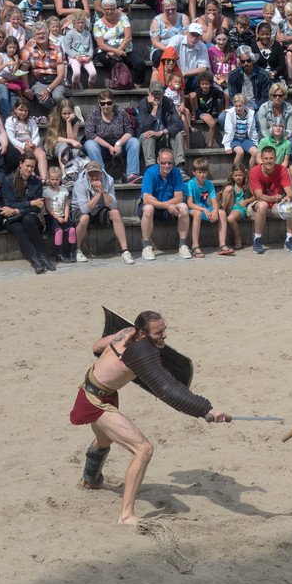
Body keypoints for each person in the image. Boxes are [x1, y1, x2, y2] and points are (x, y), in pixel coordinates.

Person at [73, 311, 231, 524]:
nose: (164, 336)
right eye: (158, 333)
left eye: (164, 330)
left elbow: (96, 347)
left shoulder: (126, 331)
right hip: (96, 402)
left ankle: (89, 480)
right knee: (143, 449)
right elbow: (168, 389)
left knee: (104, 440)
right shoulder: (141, 353)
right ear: (143, 333)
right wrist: (206, 411)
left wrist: (112, 362)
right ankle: (126, 515)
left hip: (96, 390)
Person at [138, 148, 191, 261]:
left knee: (184, 207)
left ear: (173, 162)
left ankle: (182, 245)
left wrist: (159, 203)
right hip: (158, 208)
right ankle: (146, 247)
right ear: (158, 161)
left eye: (170, 163)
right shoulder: (150, 172)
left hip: (168, 207)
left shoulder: (176, 172)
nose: (167, 165)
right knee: (148, 208)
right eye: (163, 162)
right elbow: (146, 199)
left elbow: (179, 197)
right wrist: (166, 205)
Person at [248, 145, 292, 254]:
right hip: (257, 205)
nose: (269, 161)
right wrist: (273, 199)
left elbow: (290, 192)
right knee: (262, 205)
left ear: (275, 159)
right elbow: (259, 196)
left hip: (276, 204)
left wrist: (288, 197)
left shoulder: (282, 169)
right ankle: (257, 239)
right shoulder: (255, 171)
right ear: (261, 159)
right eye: (266, 158)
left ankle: (289, 239)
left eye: (271, 158)